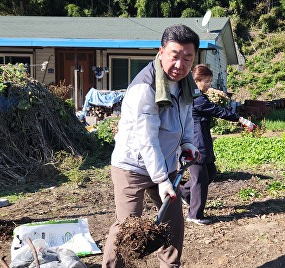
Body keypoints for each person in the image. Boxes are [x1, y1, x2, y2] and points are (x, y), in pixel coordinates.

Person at [102, 24, 201, 268]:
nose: (180, 65)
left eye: (187, 58)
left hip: (165, 163)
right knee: (128, 229)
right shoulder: (144, 88)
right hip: (132, 167)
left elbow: (187, 117)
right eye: (175, 56)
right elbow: (146, 140)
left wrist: (187, 142)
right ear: (161, 52)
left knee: (172, 224)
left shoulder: (186, 83)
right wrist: (162, 180)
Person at [180, 64, 255, 225]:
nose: (208, 85)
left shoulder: (199, 96)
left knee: (211, 172)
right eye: (205, 81)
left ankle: (184, 193)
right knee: (200, 179)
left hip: (203, 141)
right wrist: (240, 119)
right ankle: (194, 214)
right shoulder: (197, 99)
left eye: (210, 81)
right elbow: (218, 111)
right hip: (195, 143)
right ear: (196, 80)